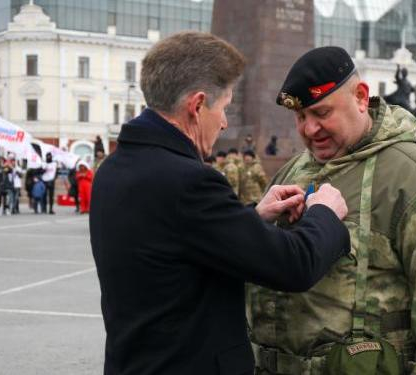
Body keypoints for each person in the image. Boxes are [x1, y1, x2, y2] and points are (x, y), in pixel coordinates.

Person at [90, 32, 351, 375]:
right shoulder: (188, 182)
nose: (225, 121)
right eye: (224, 107)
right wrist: (325, 214)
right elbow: (293, 265)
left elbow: (179, 240)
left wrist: (252, 217)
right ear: (197, 107)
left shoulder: (114, 169)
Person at [249, 46, 416, 374]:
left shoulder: (414, 179)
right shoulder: (293, 172)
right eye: (301, 117)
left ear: (360, 97)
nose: (309, 130)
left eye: (322, 113)